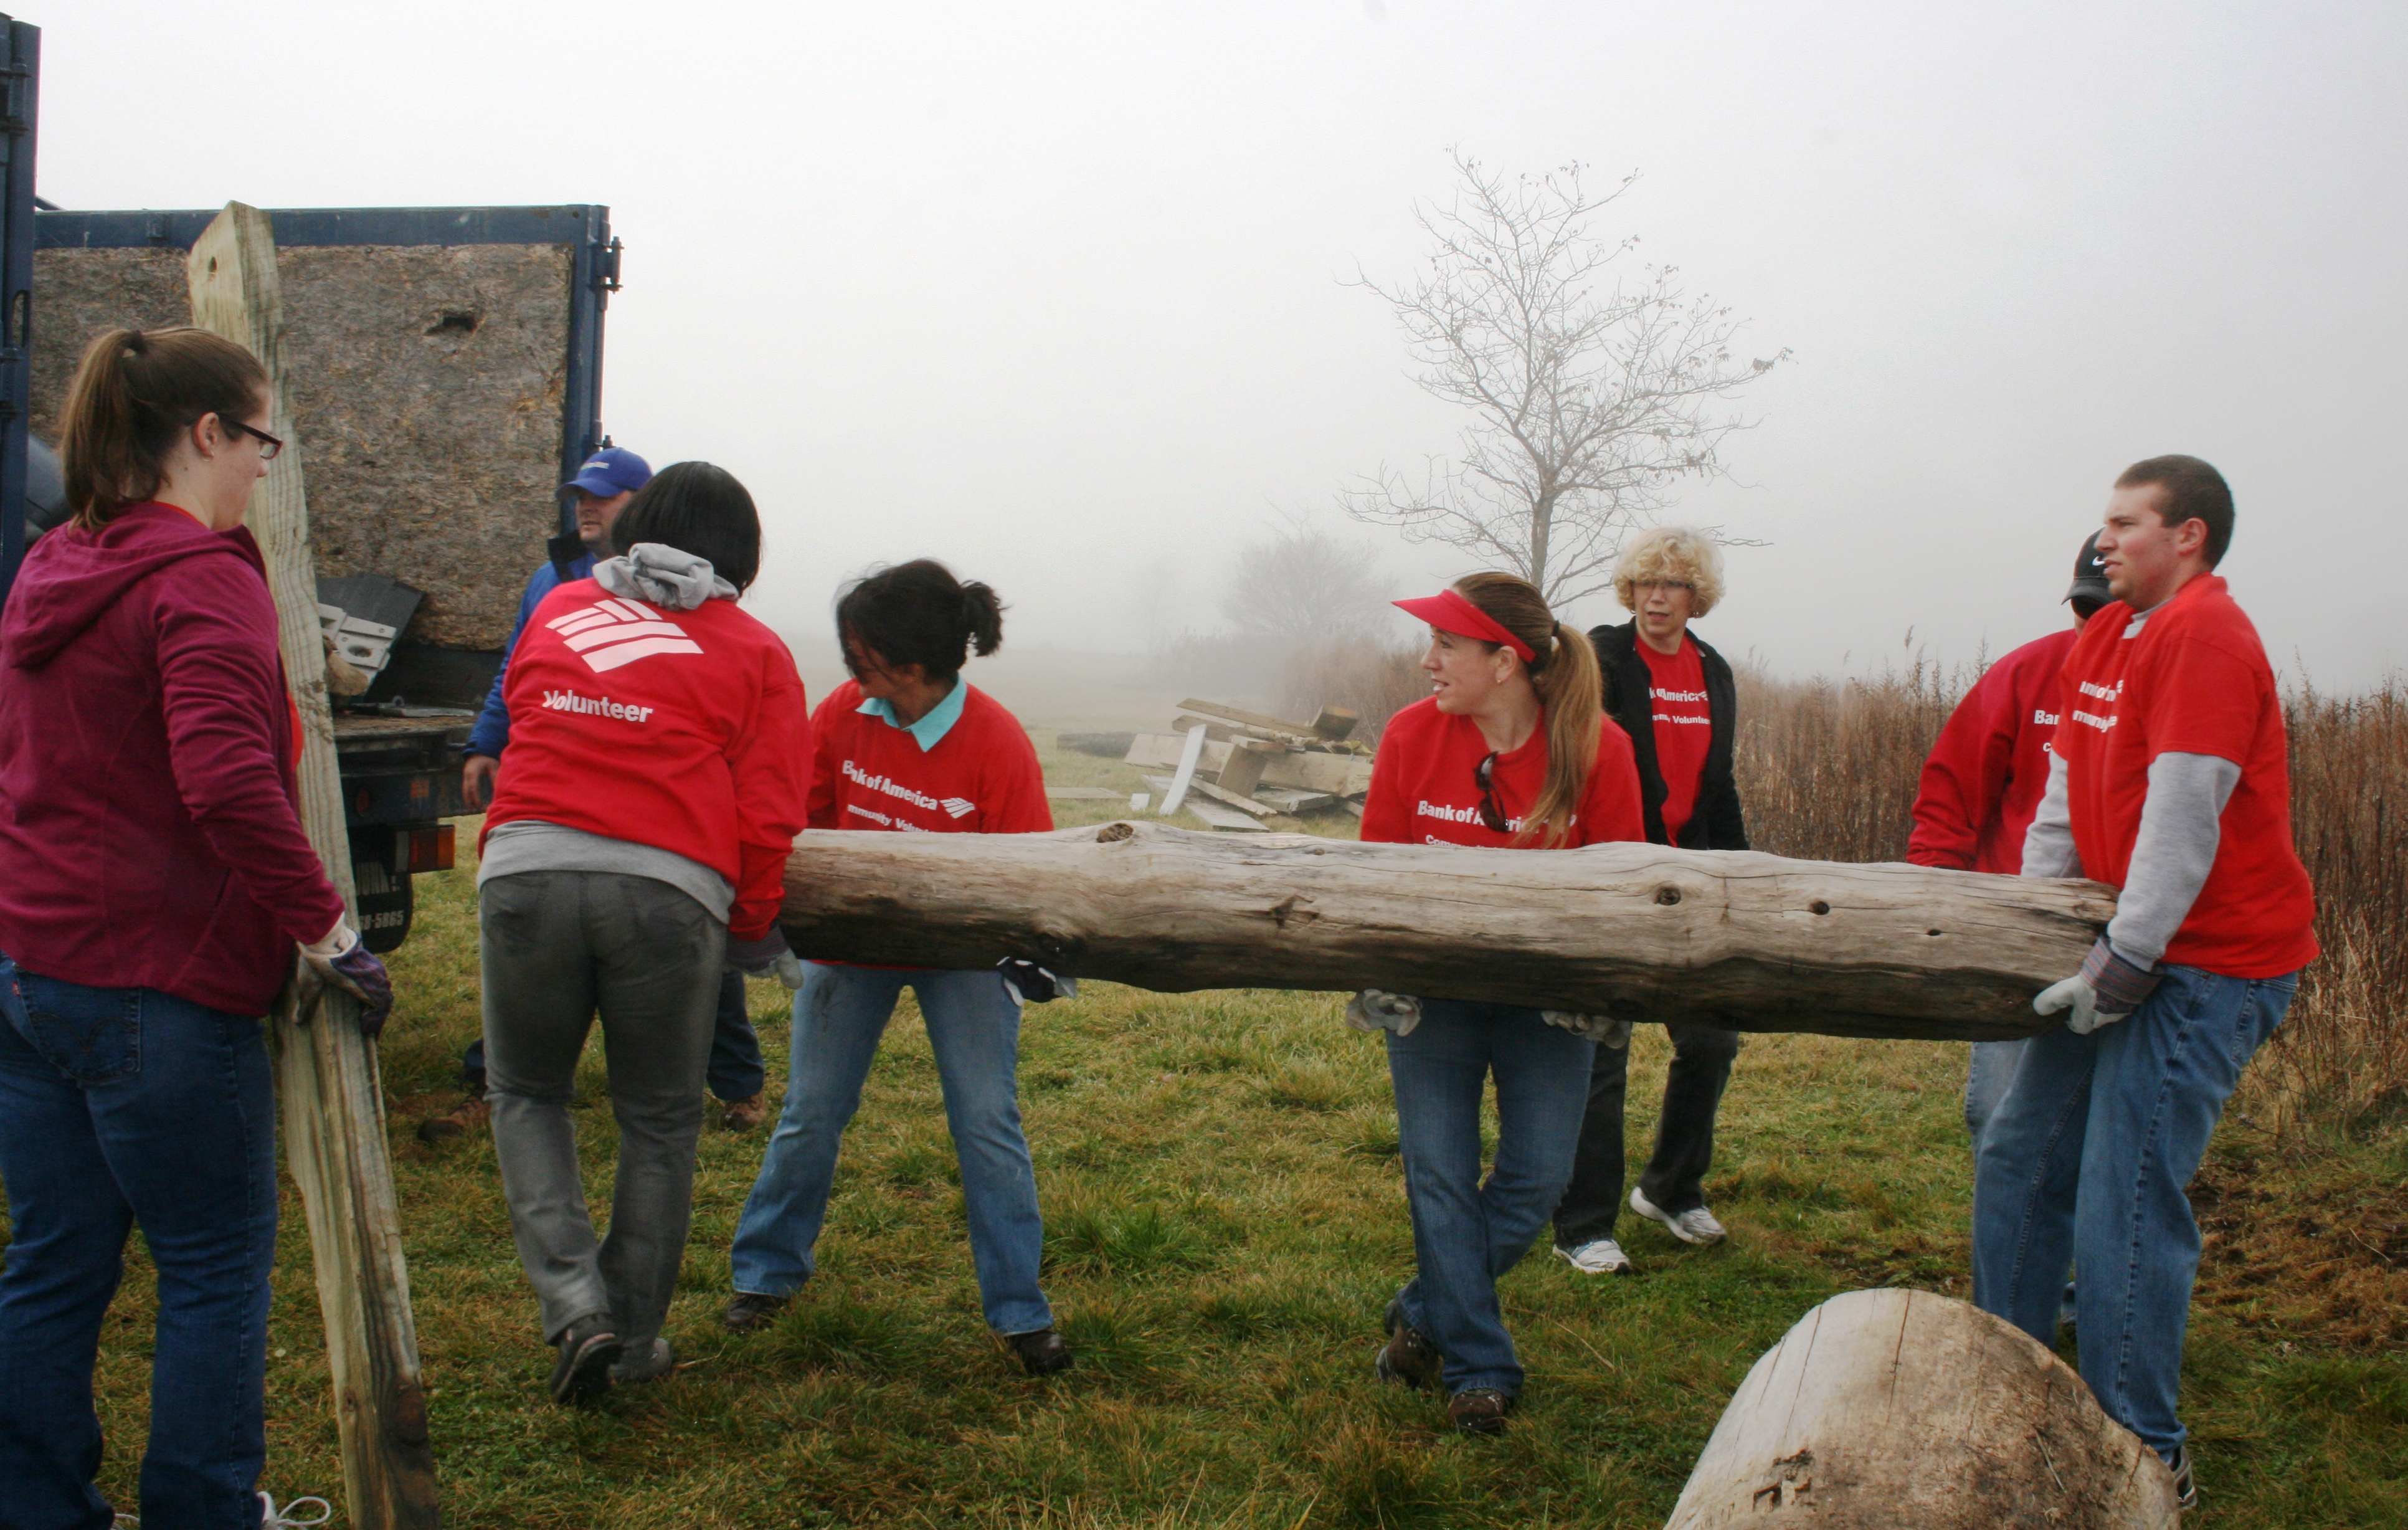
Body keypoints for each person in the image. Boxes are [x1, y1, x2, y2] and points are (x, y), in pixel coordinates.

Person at [0, 327, 392, 1526]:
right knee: (216, 1269)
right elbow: (227, 780)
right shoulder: (204, 577)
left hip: (32, 973)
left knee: (57, 1261)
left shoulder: (58, 563)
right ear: (207, 434)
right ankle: (205, 1513)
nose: (265, 467)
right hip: (159, 988)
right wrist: (332, 934)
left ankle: (32, 1506)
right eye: (260, 438)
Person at [1974, 455, 2317, 1514]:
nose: (2105, 538)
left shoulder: (2205, 635)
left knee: (2123, 1198)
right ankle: (2007, 1391)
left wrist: (2126, 960)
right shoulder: (2107, 636)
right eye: (2105, 522)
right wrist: (2035, 927)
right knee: (2018, 1153)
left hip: (2211, 965)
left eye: (2127, 522)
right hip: (2116, 944)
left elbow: (2185, 809)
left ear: (2190, 538)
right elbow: (2068, 799)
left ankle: (2140, 1456)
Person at [476, 461, 811, 1404]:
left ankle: (575, 1305)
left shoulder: (561, 611)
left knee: (527, 1094)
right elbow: (769, 812)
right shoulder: (755, 652)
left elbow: (519, 716)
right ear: (742, 555)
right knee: (660, 1120)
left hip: (526, 871)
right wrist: (749, 931)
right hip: (668, 893)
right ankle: (630, 1343)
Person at [723, 559, 1076, 1376]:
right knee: (811, 1111)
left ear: (911, 665)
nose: (849, 669)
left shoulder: (996, 744)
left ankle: (1020, 1313)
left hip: (962, 955)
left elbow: (1035, 879)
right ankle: (766, 1276)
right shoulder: (846, 713)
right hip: (854, 946)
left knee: (987, 1122)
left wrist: (1032, 967)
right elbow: (800, 818)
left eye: (861, 654)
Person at [1354, 573, 1646, 1435]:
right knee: (1437, 1176)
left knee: (1536, 1182)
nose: (1427, 660)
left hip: (1546, 1006)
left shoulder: (1598, 750)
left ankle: (1423, 1313)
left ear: (1507, 663)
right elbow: (1372, 869)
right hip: (1431, 997)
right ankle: (1481, 1366)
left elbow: (1624, 888)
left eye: (1448, 646)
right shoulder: (1410, 735)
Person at [422, 442, 771, 1141]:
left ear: (640, 511)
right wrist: (488, 741)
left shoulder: (699, 607)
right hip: (565, 822)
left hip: (658, 828)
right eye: (580, 495)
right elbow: (514, 666)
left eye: (602, 498)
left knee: (702, 943)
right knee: (548, 963)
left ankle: (738, 1084)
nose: (585, 507)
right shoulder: (552, 583)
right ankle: (497, 1083)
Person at [1550, 527, 1746, 1276]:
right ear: (1628, 589)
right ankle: (1582, 1223)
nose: (1658, 597)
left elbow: (1716, 783)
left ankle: (1668, 1187)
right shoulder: (1600, 656)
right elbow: (1571, 754)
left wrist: (1739, 873)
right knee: (1604, 1044)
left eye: (1675, 585)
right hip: (1610, 869)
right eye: (1646, 583)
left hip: (1689, 877)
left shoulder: (1713, 671)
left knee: (1710, 1038)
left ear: (1697, 596)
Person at [1909, 533, 2110, 1143]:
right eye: (2084, 608)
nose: (2095, 624)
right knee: (1998, 1111)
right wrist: (1932, 897)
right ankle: (2006, 1234)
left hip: (2118, 928)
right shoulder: (2024, 671)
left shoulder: (2163, 684)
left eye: (2109, 611)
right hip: (2015, 922)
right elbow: (1951, 784)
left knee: (2097, 1120)